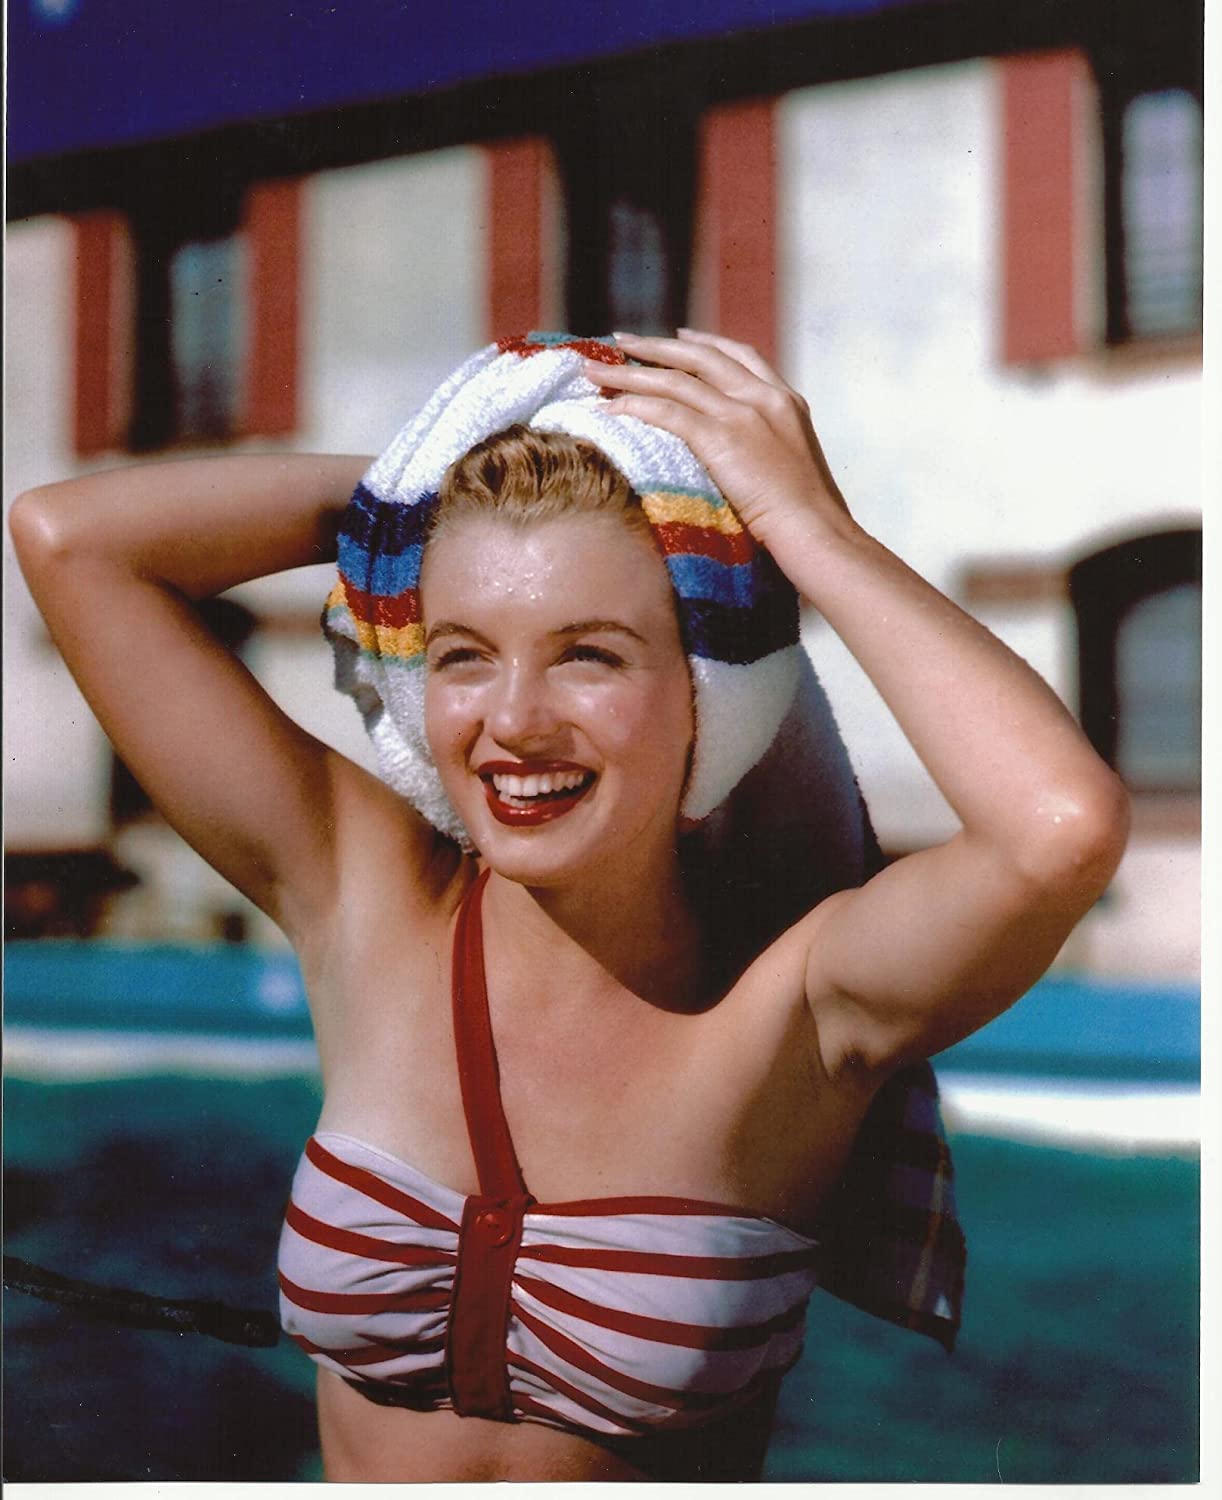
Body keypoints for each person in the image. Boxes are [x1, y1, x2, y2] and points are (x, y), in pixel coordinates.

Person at [10, 329, 1129, 1482]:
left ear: (706, 691)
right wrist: (437, 478)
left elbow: (1058, 831)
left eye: (587, 655)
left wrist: (805, 529)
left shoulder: (797, 1006)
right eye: (462, 655)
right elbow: (70, 543)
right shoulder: (365, 895)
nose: (514, 722)